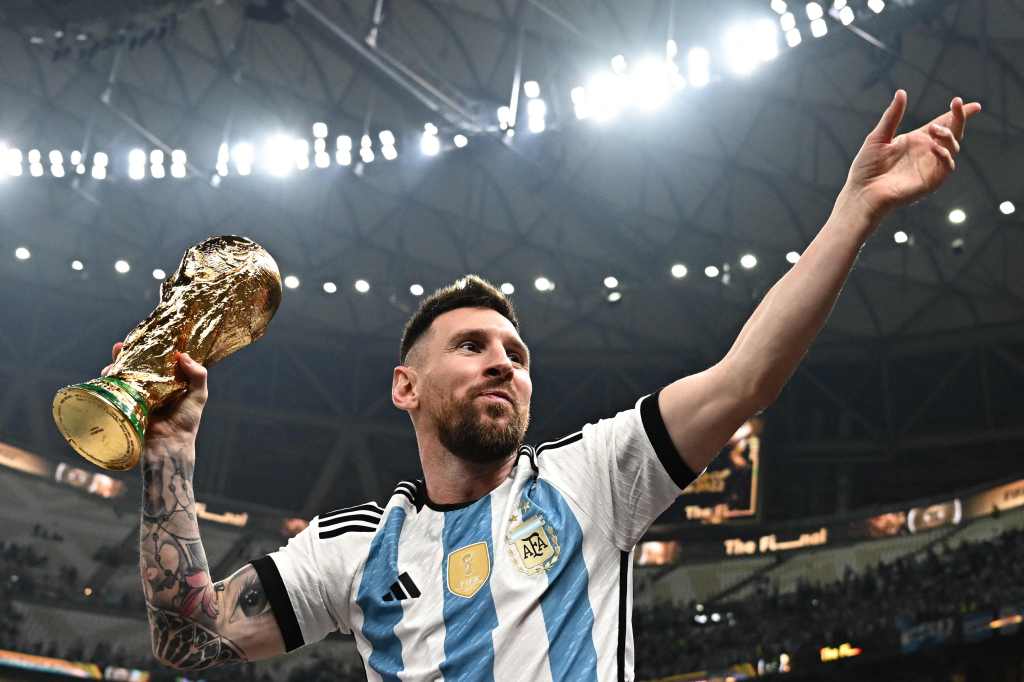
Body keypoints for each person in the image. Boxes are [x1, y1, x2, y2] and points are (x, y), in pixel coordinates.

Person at [103, 90, 979, 680]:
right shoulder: (354, 547)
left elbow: (746, 376)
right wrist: (170, 456)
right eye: (474, 345)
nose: (503, 364)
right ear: (405, 387)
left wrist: (855, 213)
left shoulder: (591, 477)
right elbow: (191, 641)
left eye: (518, 355)